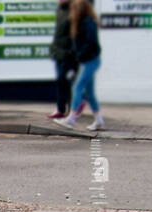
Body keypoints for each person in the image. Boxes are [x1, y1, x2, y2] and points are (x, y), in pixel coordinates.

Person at [55, 0, 102, 130]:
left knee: (77, 87)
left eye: (74, 9)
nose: (72, 12)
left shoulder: (88, 23)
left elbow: (91, 43)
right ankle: (98, 120)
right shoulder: (80, 23)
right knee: (90, 92)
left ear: (80, 10)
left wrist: (80, 54)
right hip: (86, 60)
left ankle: (72, 118)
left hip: (90, 60)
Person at [47, 0, 77, 120]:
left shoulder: (73, 10)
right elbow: (57, 33)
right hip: (59, 52)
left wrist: (73, 51)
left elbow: (74, 33)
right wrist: (53, 49)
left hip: (68, 52)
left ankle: (71, 109)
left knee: (66, 80)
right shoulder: (60, 10)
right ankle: (61, 109)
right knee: (61, 80)